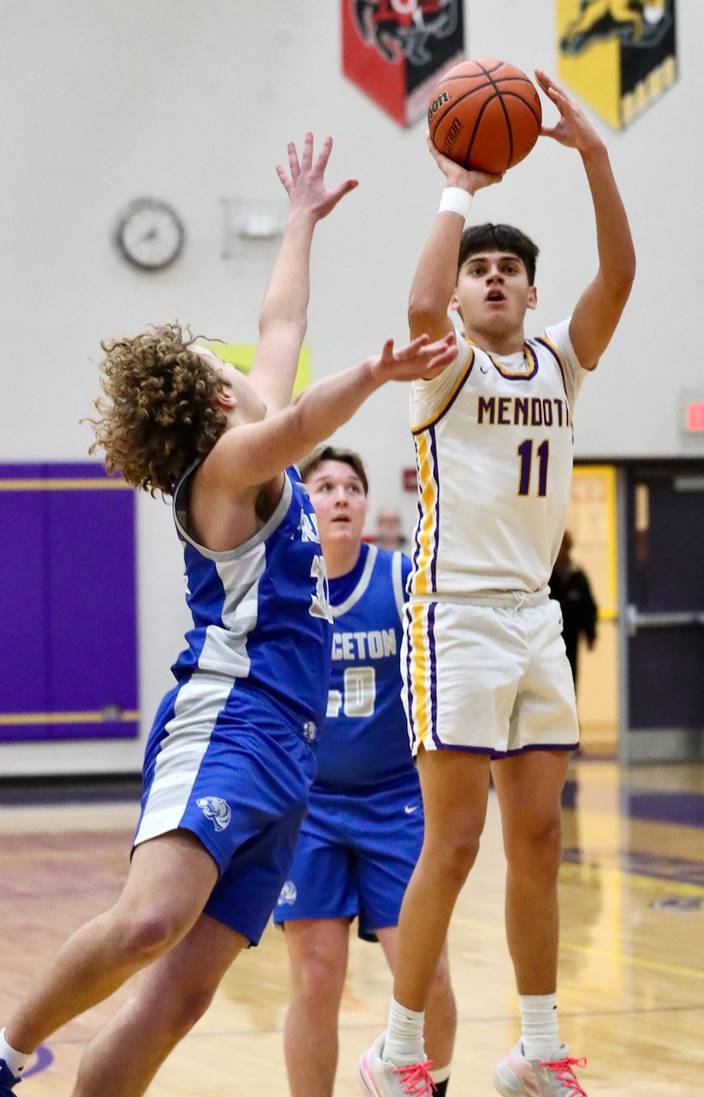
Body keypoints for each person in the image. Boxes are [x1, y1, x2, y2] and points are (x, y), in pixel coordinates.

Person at [0, 134, 456, 1097]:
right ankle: (4, 1050)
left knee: (180, 991)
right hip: (231, 717)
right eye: (226, 364)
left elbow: (280, 317)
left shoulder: (257, 456)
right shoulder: (225, 471)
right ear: (213, 398)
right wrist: (373, 375)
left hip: (286, 743)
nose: (251, 360)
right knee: (148, 921)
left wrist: (298, 222)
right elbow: (297, 422)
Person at [358, 68, 635, 1097]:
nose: (485, 281)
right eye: (476, 269)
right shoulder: (446, 368)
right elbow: (419, 299)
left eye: (503, 272)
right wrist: (454, 190)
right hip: (452, 618)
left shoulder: (559, 361)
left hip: (530, 619)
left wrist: (595, 158)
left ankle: (534, 1044)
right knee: (457, 837)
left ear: (527, 290)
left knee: (539, 833)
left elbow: (618, 275)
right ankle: (396, 1052)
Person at [274, 446, 456, 1097]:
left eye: (353, 485)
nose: (342, 496)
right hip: (310, 806)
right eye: (326, 486)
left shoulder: (402, 578)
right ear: (304, 504)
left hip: (395, 800)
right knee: (317, 977)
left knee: (427, 971)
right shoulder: (283, 587)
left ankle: (431, 1085)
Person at [549, 531, 598, 689]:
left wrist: (590, 633)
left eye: (565, 545)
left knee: (570, 679)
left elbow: (589, 607)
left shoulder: (577, 576)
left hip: (571, 637)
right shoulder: (545, 577)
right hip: (549, 638)